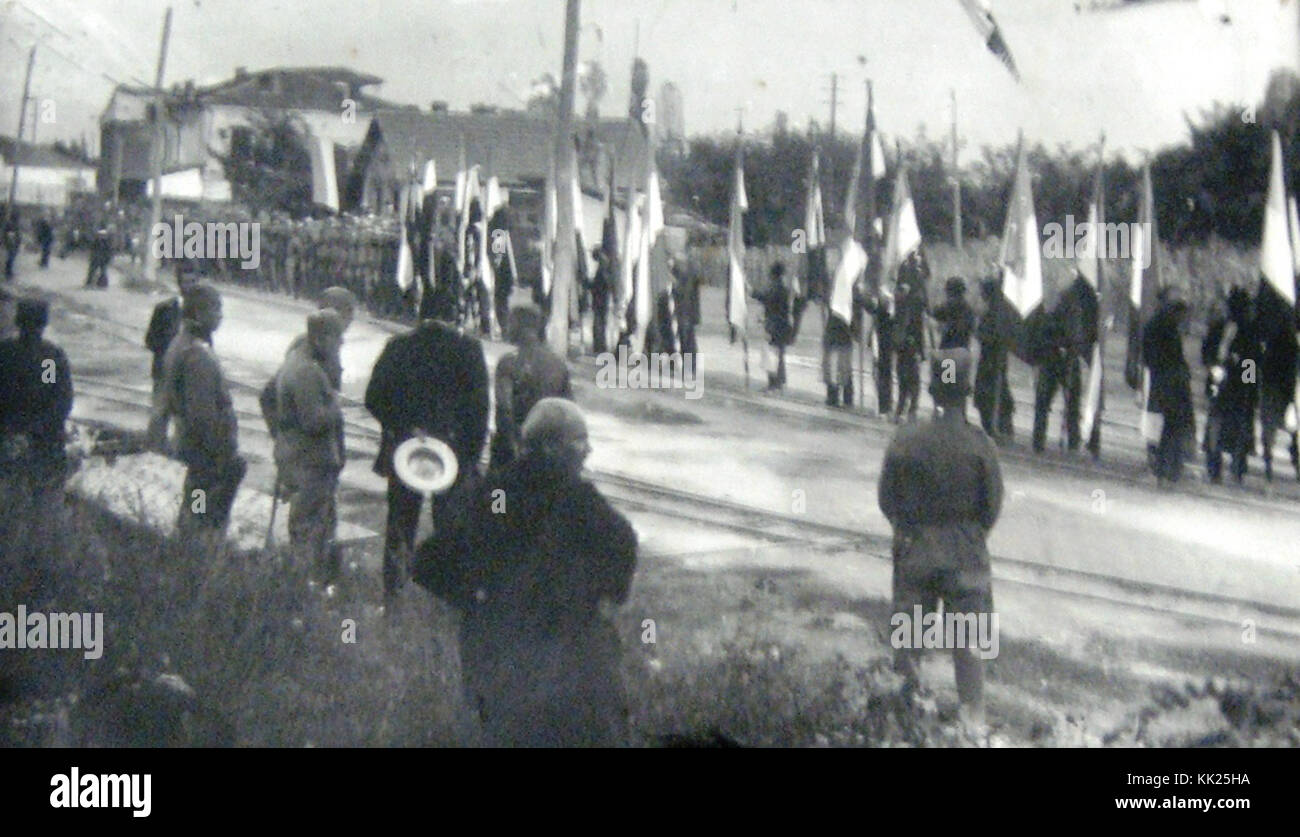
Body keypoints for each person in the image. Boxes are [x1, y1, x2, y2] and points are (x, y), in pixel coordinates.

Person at [412, 398, 638, 747]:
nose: (587, 450)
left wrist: (477, 601)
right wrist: (594, 597)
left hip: (500, 660)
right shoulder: (577, 499)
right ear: (550, 447)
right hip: (565, 666)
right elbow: (622, 548)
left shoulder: (497, 491)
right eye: (579, 441)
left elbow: (432, 560)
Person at [878, 348, 1003, 728]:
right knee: (969, 646)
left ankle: (905, 721)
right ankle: (973, 722)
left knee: (909, 645)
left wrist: (909, 529)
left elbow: (887, 500)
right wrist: (967, 535)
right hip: (965, 556)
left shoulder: (906, 438)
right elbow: (991, 507)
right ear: (967, 393)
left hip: (915, 552)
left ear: (933, 390)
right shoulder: (980, 444)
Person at [364, 282, 489, 602]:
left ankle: (393, 596)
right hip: (452, 451)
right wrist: (468, 455)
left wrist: (401, 428)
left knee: (399, 526)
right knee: (450, 529)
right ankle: (445, 598)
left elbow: (374, 397)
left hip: (406, 448)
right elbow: (479, 411)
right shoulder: (468, 350)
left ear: (422, 313)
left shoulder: (399, 346)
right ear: (455, 314)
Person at [157, 283, 246, 542]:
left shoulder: (183, 343)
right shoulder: (197, 355)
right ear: (199, 312)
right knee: (204, 515)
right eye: (216, 309)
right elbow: (202, 415)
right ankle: (196, 558)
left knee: (196, 504)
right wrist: (220, 453)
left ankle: (189, 547)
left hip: (197, 451)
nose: (220, 316)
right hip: (208, 455)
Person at [272, 310, 346, 580]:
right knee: (308, 531)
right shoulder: (306, 371)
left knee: (311, 528)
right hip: (310, 463)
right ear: (321, 338)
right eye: (338, 340)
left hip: (301, 460)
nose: (340, 346)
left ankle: (309, 585)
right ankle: (304, 588)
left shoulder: (296, 360)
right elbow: (314, 421)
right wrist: (336, 406)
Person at [0, 298, 73, 493]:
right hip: (41, 438)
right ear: (43, 324)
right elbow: (55, 397)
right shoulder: (48, 358)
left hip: (7, 433)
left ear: (18, 322)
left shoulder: (5, 352)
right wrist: (36, 429)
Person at [489, 304, 572, 472]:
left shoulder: (509, 363)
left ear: (521, 327)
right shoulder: (558, 364)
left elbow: (504, 409)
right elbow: (568, 410)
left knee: (499, 496)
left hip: (512, 448)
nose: (506, 328)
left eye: (510, 323)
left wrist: (512, 448)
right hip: (546, 449)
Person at [1201, 287, 1257, 484]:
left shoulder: (1249, 332)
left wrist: (1248, 386)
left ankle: (1237, 467)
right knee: (1216, 427)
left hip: (1239, 388)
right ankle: (1215, 467)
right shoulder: (1219, 328)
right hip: (1222, 385)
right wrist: (1213, 369)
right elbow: (1207, 353)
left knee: (1238, 428)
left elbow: (1250, 362)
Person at [1141, 286, 1195, 487]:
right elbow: (1167, 358)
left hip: (1165, 382)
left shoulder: (1159, 325)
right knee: (1172, 428)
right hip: (1171, 384)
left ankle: (1166, 470)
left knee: (1169, 428)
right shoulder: (1164, 327)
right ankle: (1167, 471)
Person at [1255, 284, 1300, 482]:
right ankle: (1271, 467)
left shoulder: (1269, 339)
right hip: (1279, 387)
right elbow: (1252, 360)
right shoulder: (1273, 340)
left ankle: (1271, 467)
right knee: (1274, 431)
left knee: (1274, 431)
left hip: (1282, 387)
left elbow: (1253, 360)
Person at [974, 275, 1015, 440]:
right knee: (997, 391)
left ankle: (994, 426)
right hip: (994, 359)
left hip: (989, 360)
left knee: (988, 394)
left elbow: (990, 336)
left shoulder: (993, 313)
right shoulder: (999, 311)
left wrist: (979, 333)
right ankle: (1000, 425)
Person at [892, 253, 929, 423]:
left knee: (909, 376)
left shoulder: (913, 299)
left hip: (911, 339)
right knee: (906, 375)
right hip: (910, 339)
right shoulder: (914, 297)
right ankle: (907, 407)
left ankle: (907, 407)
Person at [755, 262, 793, 391]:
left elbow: (766, 299)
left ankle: (774, 383)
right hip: (782, 325)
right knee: (779, 355)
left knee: (771, 355)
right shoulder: (783, 288)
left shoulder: (775, 288)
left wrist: (751, 292)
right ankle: (780, 381)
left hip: (774, 326)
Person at [931, 276, 975, 350]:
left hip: (949, 351)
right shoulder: (967, 309)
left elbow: (935, 313)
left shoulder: (948, 306)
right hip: (962, 351)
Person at [3, 210, 20, 280]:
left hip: (13, 243)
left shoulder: (13, 224)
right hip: (11, 243)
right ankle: (8, 272)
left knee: (12, 257)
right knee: (11, 257)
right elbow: (9, 234)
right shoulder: (10, 224)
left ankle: (9, 271)